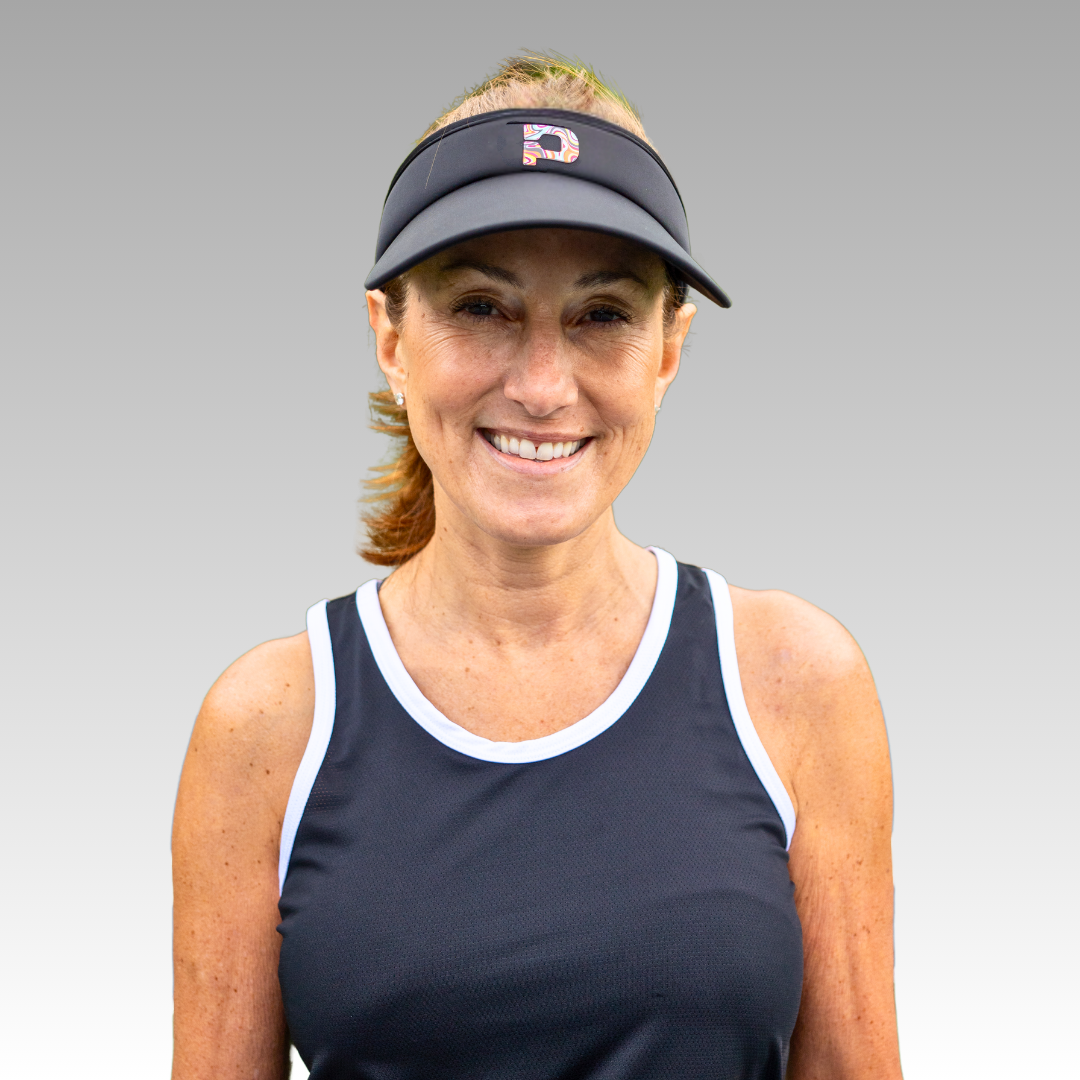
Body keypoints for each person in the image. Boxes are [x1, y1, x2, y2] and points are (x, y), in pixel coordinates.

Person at [172, 56, 902, 1080]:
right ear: (390, 336)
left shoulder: (794, 683)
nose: (545, 385)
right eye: (482, 307)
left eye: (603, 314)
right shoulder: (268, 726)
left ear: (668, 350)